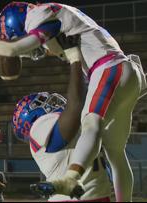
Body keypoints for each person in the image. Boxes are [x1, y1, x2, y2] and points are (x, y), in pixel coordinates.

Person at [0, 2, 146, 201]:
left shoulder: (40, 16)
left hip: (109, 68)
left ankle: (70, 178)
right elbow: (40, 49)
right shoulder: (59, 15)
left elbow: (12, 49)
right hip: (129, 73)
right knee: (116, 154)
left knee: (90, 124)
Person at [14, 34, 112, 201]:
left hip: (98, 196)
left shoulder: (71, 122)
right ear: (32, 118)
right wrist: (74, 59)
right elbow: (75, 105)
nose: (50, 102)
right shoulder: (38, 129)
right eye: (42, 103)